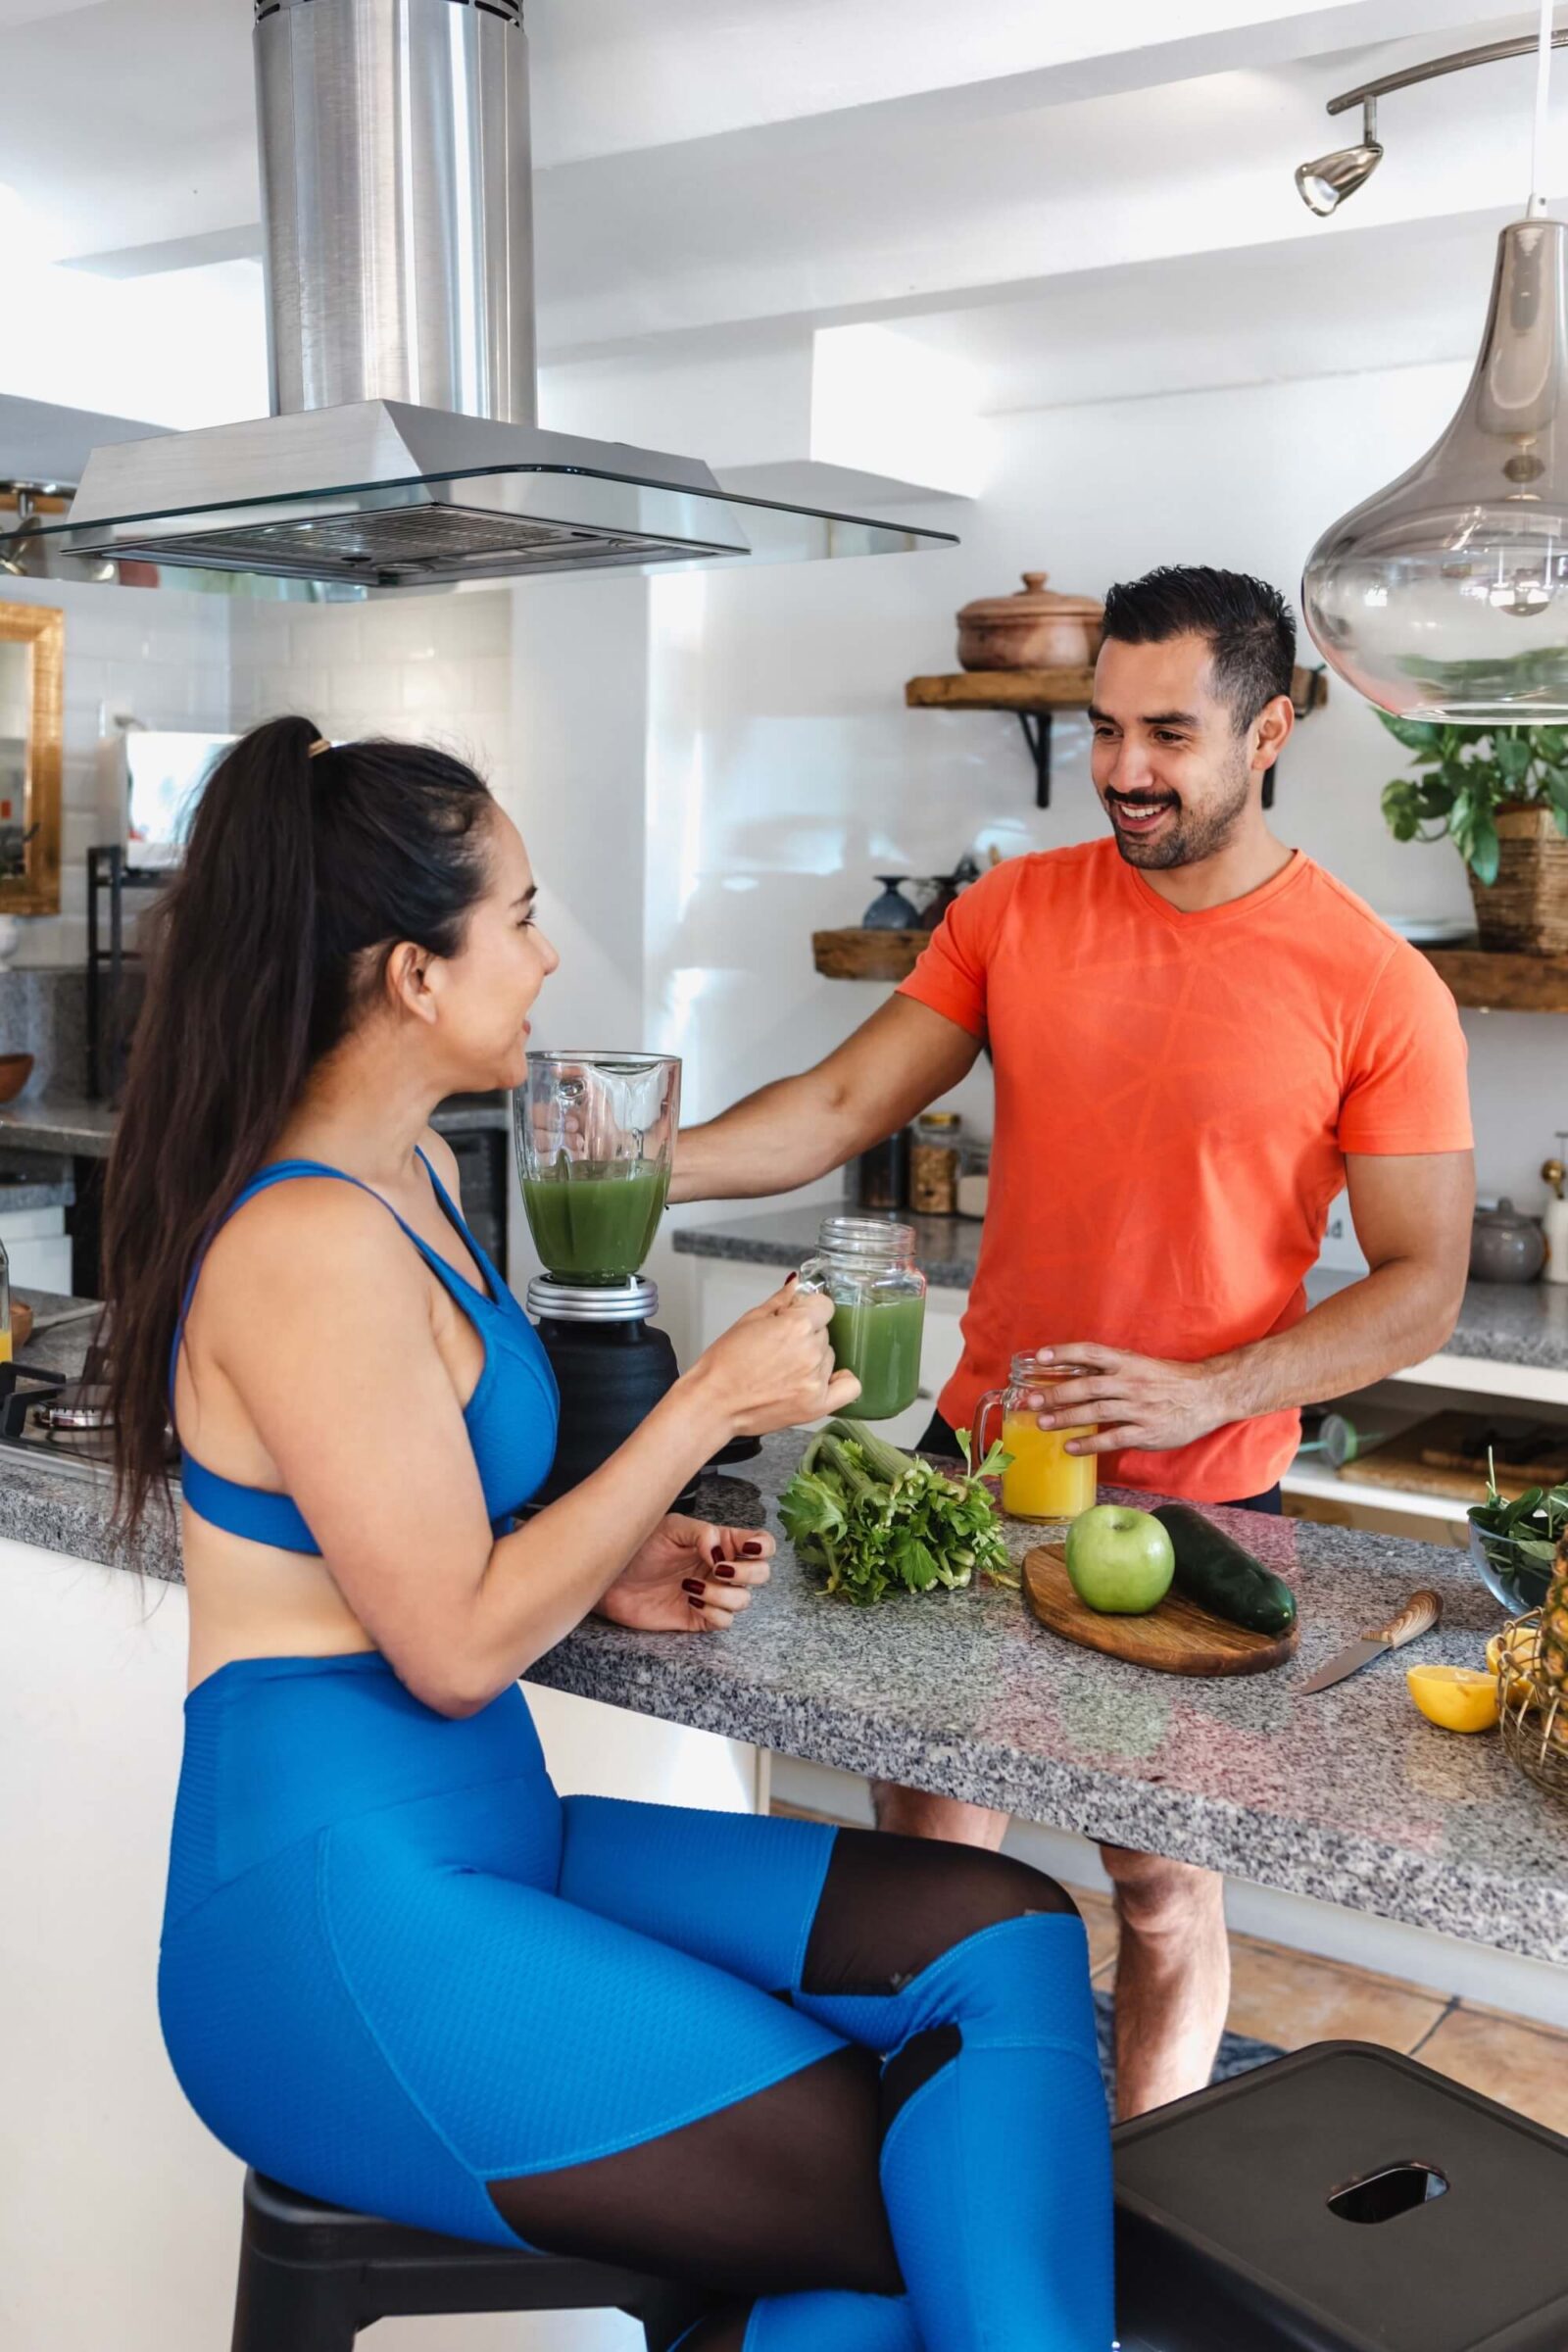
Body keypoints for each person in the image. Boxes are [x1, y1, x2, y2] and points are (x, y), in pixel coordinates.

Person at [101, 718, 1112, 2352]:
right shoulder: (305, 1245)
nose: (545, 953)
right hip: (330, 1918)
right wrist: (704, 1406)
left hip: (489, 1830)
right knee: (901, 2202)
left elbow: (439, 1535)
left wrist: (612, 1553)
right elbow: (450, 1643)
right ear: (414, 975)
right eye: (516, 916)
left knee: (1001, 1931)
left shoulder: (420, 1172)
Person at [673, 565, 1475, 2119]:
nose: (1122, 770)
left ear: (1269, 732)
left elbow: (1423, 1284)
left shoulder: (1376, 983)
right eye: (1104, 727)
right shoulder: (1017, 912)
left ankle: (1137, 2201)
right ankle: (930, 2186)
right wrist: (614, 1155)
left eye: (1166, 732)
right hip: (986, 1473)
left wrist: (1207, 1385)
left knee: (1165, 1889)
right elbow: (839, 1108)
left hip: (1212, 1511)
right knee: (928, 1878)